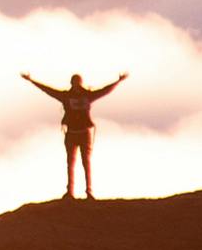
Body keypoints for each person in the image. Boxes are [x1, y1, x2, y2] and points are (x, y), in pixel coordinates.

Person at [21, 69, 126, 200]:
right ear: (73, 83)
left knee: (85, 162)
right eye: (75, 83)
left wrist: (118, 81)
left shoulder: (80, 96)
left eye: (77, 83)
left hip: (83, 133)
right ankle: (70, 192)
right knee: (71, 162)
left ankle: (88, 191)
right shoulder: (73, 96)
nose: (76, 85)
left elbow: (105, 90)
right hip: (72, 133)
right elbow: (48, 90)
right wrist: (31, 81)